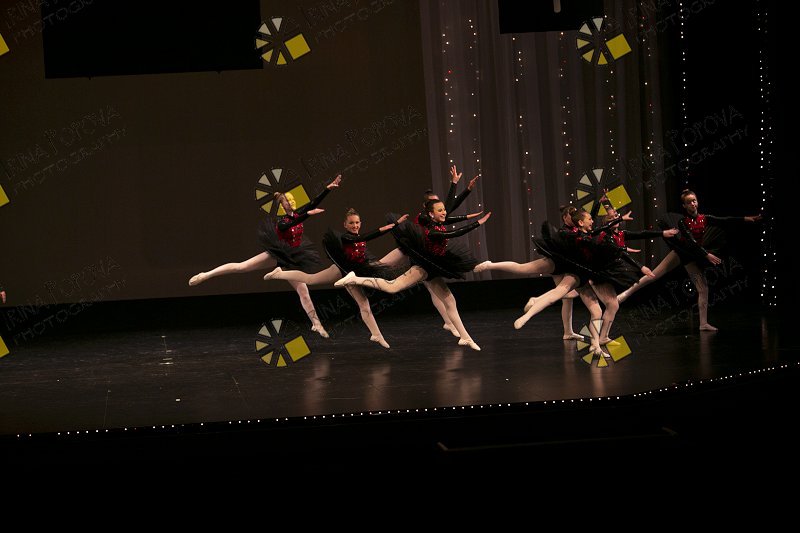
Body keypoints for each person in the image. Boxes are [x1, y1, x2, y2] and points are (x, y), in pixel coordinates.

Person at [188, 175, 342, 338]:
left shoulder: (298, 214)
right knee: (242, 266)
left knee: (303, 292)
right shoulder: (282, 222)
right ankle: (206, 274)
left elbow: (313, 203)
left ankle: (316, 324)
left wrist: (327, 189)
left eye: (291, 201)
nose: (290, 203)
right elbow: (292, 223)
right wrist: (308, 214)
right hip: (278, 254)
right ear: (282, 205)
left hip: (292, 258)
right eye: (286, 202)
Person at [335, 199, 491, 351]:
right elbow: (454, 233)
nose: (444, 212)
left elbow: (450, 208)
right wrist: (478, 223)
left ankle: (465, 337)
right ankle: (355, 279)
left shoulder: (438, 223)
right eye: (440, 210)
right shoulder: (432, 230)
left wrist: (457, 188)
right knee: (392, 287)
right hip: (423, 268)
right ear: (431, 214)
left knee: (450, 300)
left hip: (432, 268)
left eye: (444, 210)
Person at [513, 208, 654, 357]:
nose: (593, 221)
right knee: (557, 295)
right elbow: (596, 237)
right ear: (581, 222)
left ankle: (595, 346)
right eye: (590, 219)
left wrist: (620, 221)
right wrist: (623, 248)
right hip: (576, 275)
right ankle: (527, 315)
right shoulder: (579, 237)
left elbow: (602, 229)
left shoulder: (589, 234)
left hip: (587, 277)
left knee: (596, 312)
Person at [617, 189, 761, 331]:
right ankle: (624, 295)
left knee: (703, 289)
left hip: (692, 255)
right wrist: (706, 255)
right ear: (684, 206)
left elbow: (725, 220)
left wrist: (745, 218)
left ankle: (703, 323)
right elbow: (691, 241)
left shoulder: (705, 218)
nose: (693, 204)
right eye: (689, 202)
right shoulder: (683, 222)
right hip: (681, 252)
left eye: (694, 201)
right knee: (653, 275)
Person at [263, 208, 409, 348]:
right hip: (341, 271)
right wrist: (391, 226)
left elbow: (363, 241)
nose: (354, 225)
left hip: (353, 273)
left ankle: (376, 335)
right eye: (351, 223)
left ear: (360, 223)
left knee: (364, 304)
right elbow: (366, 236)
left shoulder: (359, 237)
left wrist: (395, 224)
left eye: (357, 222)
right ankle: (279, 273)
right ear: (345, 225)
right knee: (310, 279)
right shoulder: (346, 237)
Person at [379, 164, 482, 338]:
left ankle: (448, 322)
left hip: (424, 253)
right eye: (435, 204)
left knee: (432, 287)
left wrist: (467, 191)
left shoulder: (435, 217)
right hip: (416, 252)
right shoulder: (424, 217)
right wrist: (455, 185)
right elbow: (449, 208)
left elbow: (449, 209)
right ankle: (361, 275)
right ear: (427, 207)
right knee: (384, 267)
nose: (440, 207)